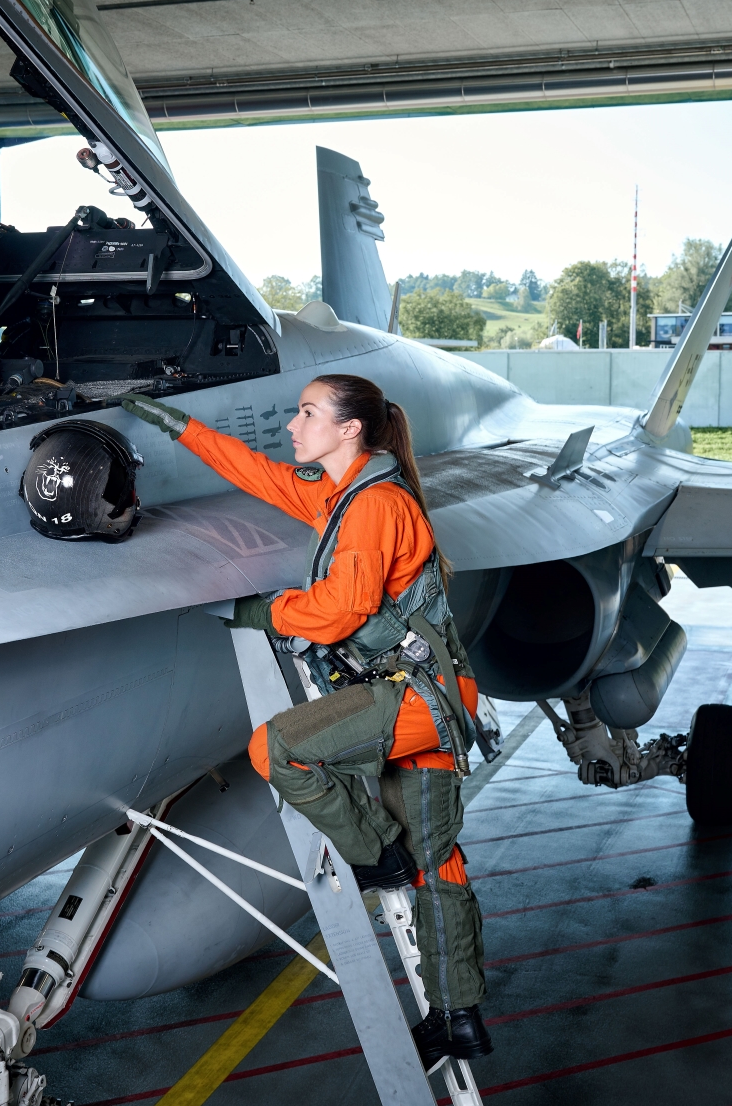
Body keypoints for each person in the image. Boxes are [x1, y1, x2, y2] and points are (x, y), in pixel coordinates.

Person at [117, 374, 492, 1067]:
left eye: (308, 413)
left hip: (416, 699)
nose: (293, 425)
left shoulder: (374, 505)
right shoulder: (340, 494)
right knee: (440, 860)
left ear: (350, 429)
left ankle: (377, 854)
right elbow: (260, 475)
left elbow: (341, 611)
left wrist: (260, 612)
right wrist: (180, 428)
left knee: (279, 748)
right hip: (436, 694)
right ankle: (458, 1016)